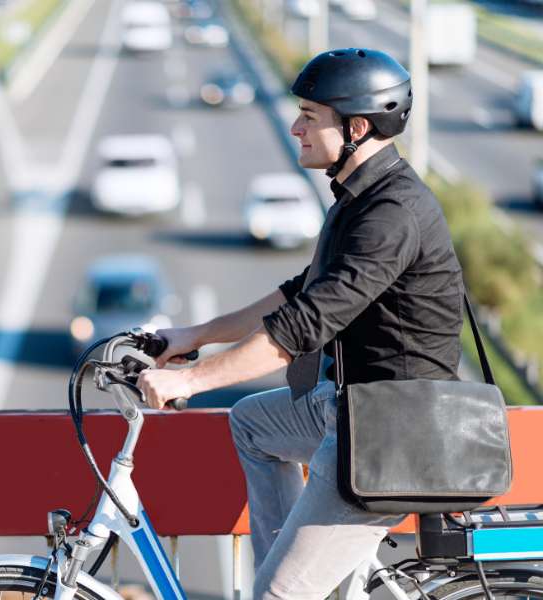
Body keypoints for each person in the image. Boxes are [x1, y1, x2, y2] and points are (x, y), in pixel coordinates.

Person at [137, 48, 464, 600]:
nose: (295, 128)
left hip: (393, 434)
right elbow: (299, 293)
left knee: (278, 596)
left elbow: (300, 329)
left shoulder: (392, 214)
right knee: (253, 424)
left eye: (310, 117)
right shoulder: (359, 199)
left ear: (357, 127)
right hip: (354, 409)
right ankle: (294, 571)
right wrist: (195, 336)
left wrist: (190, 380)